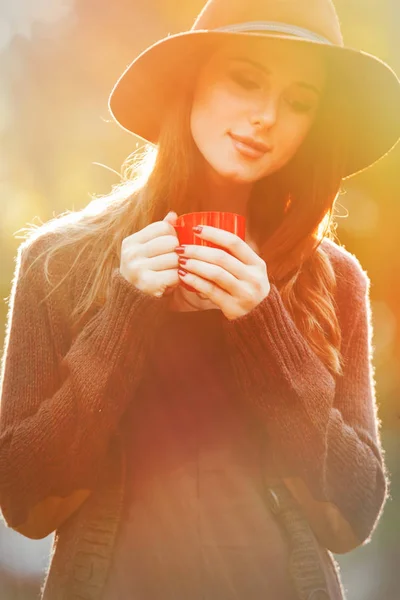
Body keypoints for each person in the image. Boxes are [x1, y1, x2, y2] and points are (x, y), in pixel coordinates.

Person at [0, 0, 399, 598]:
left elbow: (353, 513)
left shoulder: (333, 278)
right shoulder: (58, 261)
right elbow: (24, 502)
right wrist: (124, 316)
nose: (267, 116)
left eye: (300, 101)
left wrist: (268, 329)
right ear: (192, 82)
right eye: (246, 78)